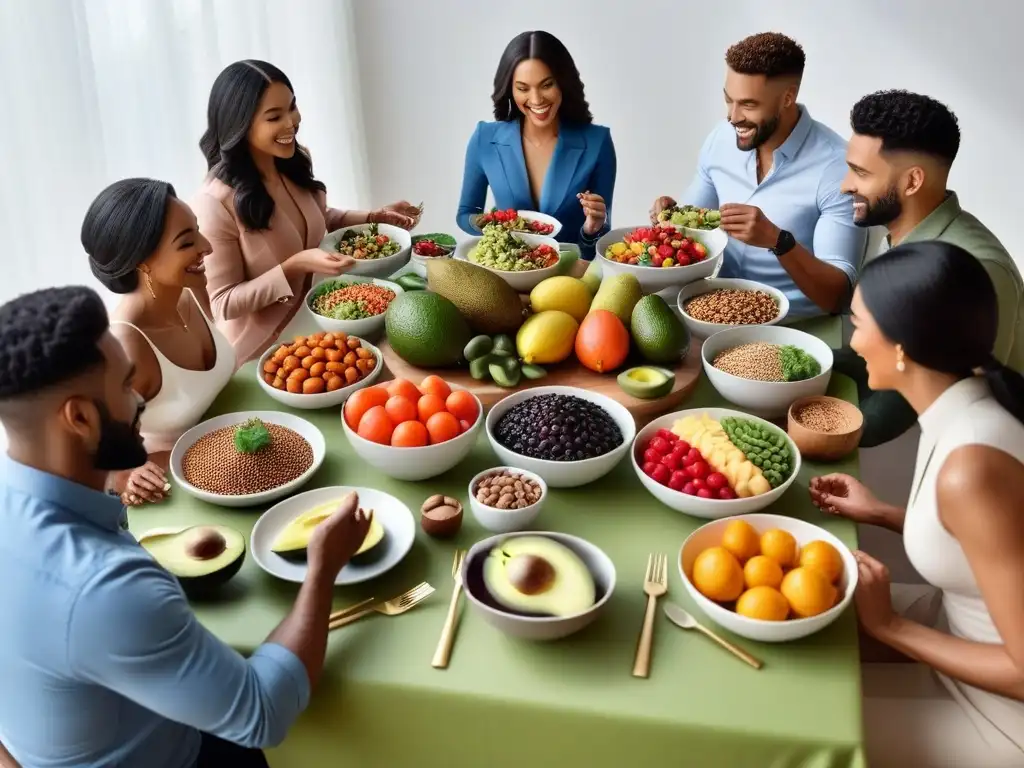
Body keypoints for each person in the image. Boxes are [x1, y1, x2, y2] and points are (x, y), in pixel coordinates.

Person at [0, 285, 373, 768]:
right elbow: (262, 714)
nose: (139, 400)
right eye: (126, 386)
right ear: (81, 418)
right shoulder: (107, 589)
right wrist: (322, 568)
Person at [808, 242, 1024, 767]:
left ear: (902, 345)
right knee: (804, 639)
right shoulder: (968, 399)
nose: (853, 342)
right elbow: (990, 541)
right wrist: (883, 512)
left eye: (858, 324)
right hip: (956, 634)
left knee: (797, 725)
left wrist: (891, 628)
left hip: (999, 712)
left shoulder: (970, 466)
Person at [193, 60, 421, 364]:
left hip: (321, 325)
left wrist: (371, 218)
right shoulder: (214, 202)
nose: (291, 123)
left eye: (292, 107)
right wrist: (294, 266)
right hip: (262, 354)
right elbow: (222, 303)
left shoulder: (292, 160)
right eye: (274, 117)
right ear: (241, 126)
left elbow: (316, 218)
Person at [835, 89, 1024, 447]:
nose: (846, 186)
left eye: (860, 172)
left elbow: (887, 416)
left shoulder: (972, 270)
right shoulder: (899, 233)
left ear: (912, 181)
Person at [650, 32, 866, 318]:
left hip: (798, 327)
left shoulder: (837, 167)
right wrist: (670, 216)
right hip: (718, 313)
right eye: (729, 100)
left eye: (748, 105)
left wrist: (779, 241)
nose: (733, 116)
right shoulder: (720, 139)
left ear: (788, 97)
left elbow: (837, 297)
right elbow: (693, 232)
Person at [84, 178, 235, 507]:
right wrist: (128, 477)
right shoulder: (126, 346)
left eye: (197, 229)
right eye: (186, 243)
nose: (207, 246)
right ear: (142, 262)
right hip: (182, 490)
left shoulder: (191, 288)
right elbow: (96, 458)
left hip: (238, 453)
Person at [456, 30, 616, 260]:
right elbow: (466, 213)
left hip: (569, 276)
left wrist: (592, 229)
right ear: (510, 89)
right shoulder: (484, 138)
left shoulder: (597, 142)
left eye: (546, 85)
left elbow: (600, 236)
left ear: (563, 82)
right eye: (523, 88)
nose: (536, 99)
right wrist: (489, 223)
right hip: (505, 268)